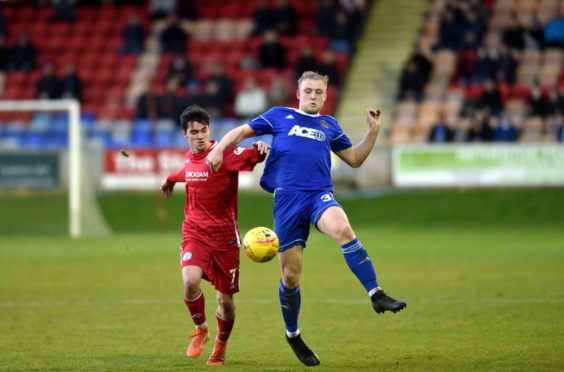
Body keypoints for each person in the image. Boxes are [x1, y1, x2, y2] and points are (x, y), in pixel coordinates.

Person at [206, 71, 406, 367]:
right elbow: (240, 132)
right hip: (287, 200)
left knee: (343, 228)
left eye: (319, 92)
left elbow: (354, 159)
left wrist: (373, 131)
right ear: (298, 94)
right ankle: (293, 334)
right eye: (308, 91)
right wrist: (219, 149)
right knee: (290, 276)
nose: (313, 96)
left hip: (318, 194)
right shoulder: (279, 116)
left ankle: (376, 293)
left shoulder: (330, 125)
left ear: (326, 96)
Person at [160, 105, 269, 365]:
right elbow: (190, 172)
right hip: (195, 233)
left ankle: (221, 344)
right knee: (189, 280)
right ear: (185, 134)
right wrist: (171, 179)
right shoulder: (189, 157)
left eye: (204, 131)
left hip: (225, 240)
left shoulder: (225, 154)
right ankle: (201, 330)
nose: (200, 136)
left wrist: (263, 149)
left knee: (226, 300)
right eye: (194, 132)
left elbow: (256, 153)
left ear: (210, 130)